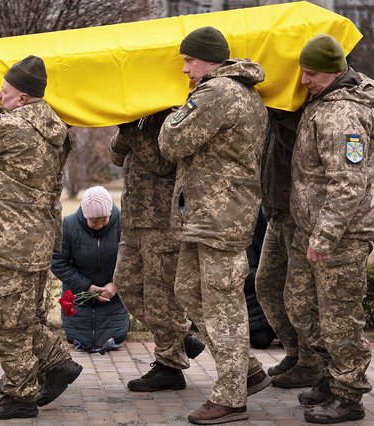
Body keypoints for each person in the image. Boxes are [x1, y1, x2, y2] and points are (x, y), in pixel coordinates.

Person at [0, 55, 81, 420]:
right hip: (33, 240)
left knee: (7, 323)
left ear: (23, 98)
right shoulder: (54, 127)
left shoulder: (17, 128)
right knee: (24, 316)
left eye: (4, 92)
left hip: (11, 243)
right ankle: (56, 364)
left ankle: (20, 394)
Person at [158, 26, 271, 424]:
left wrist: (170, 114)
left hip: (219, 218)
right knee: (188, 291)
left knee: (222, 303)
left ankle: (231, 396)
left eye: (189, 60)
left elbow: (171, 141)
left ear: (210, 59)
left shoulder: (218, 93)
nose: (186, 69)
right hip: (206, 215)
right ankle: (248, 370)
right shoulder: (231, 92)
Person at [287, 34, 374, 424]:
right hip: (311, 231)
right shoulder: (321, 104)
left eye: (311, 73)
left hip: (342, 236)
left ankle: (349, 394)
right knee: (301, 306)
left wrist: (324, 236)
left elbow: (348, 183)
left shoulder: (343, 114)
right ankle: (330, 376)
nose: (304, 80)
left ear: (334, 71)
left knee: (340, 316)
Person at [110, 109, 205, 393]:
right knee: (126, 284)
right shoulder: (138, 118)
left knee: (160, 296)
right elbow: (116, 157)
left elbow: (163, 162)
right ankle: (180, 336)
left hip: (162, 222)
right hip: (134, 220)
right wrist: (126, 127)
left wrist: (131, 130)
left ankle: (170, 367)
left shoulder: (172, 116)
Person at [254, 108, 323, 389]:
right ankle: (295, 352)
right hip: (276, 213)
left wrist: (279, 115)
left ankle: (311, 362)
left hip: (298, 217)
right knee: (266, 284)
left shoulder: (300, 112)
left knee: (299, 296)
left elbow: (295, 146)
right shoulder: (273, 110)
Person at [51, 186, 130, 353]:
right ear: (85, 215)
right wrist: (87, 287)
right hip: (80, 295)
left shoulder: (124, 223)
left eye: (104, 219)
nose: (99, 224)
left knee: (114, 339)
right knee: (81, 341)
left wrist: (115, 285)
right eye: (94, 221)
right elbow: (58, 262)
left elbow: (133, 260)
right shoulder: (69, 224)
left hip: (113, 298)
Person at [244, 209, 277, 350]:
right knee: (260, 339)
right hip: (258, 297)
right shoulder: (248, 224)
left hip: (285, 294)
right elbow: (247, 274)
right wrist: (276, 275)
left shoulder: (288, 224)